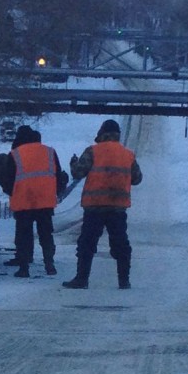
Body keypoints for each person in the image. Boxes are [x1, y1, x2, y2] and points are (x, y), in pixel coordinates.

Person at [63, 119, 142, 290]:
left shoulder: (92, 151)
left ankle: (82, 279)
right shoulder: (128, 154)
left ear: (101, 133)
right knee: (121, 243)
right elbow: (137, 179)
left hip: (95, 206)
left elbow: (78, 173)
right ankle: (124, 280)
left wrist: (73, 163)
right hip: (118, 207)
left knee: (87, 243)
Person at [0, 125, 66, 278]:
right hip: (45, 200)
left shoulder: (15, 154)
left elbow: (8, 180)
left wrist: (12, 193)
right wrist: (55, 192)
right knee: (46, 233)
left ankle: (23, 267)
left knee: (23, 234)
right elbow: (58, 175)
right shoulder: (50, 152)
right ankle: (49, 264)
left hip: (23, 200)